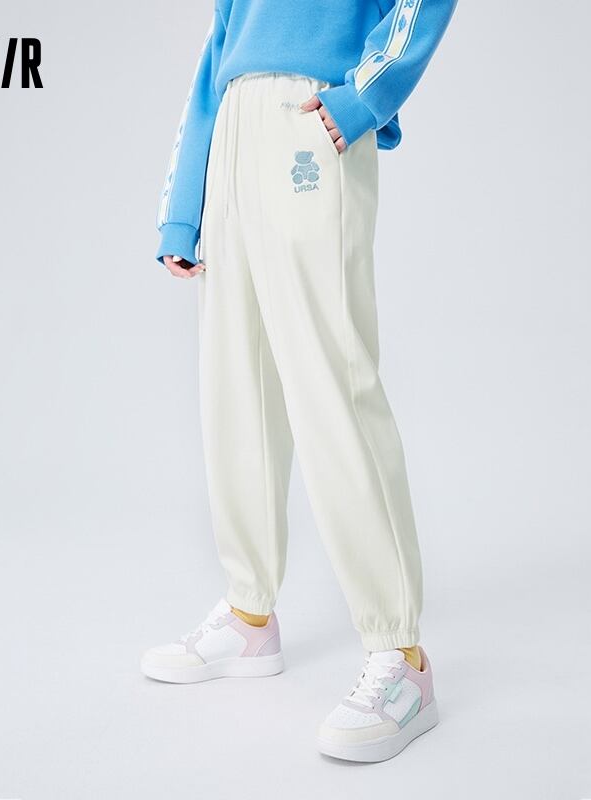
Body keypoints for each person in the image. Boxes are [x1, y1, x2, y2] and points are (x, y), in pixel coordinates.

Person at [142, 0, 457, 763]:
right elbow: (220, 51)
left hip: (308, 117)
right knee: (234, 382)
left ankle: (401, 655)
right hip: (235, 129)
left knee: (330, 377)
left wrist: (366, 94)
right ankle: (250, 616)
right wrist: (185, 204)